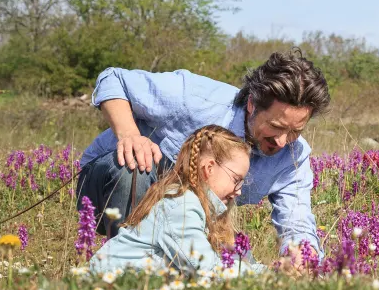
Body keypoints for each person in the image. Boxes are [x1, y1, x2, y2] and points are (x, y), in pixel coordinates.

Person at [75, 50, 330, 263]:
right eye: (276, 126)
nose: (282, 140)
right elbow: (113, 79)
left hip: (189, 214)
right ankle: (126, 271)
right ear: (253, 104)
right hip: (109, 185)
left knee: (241, 268)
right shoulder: (193, 98)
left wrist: (302, 256)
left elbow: (296, 220)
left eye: (295, 131)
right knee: (136, 167)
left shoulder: (293, 156)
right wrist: (129, 134)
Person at [90, 126, 264, 276]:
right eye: (236, 180)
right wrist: (267, 276)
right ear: (209, 168)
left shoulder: (194, 205)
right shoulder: (182, 206)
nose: (239, 190)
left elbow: (222, 261)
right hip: (106, 286)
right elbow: (205, 268)